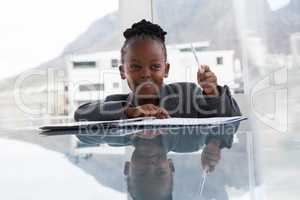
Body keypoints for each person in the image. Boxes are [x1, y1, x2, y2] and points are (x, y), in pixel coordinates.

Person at [74, 19, 241, 172]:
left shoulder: (187, 95)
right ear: (122, 72)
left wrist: (212, 92)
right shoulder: (119, 109)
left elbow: (232, 118)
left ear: (166, 70)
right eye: (135, 67)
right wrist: (130, 113)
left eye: (154, 67)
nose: (146, 74)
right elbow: (81, 115)